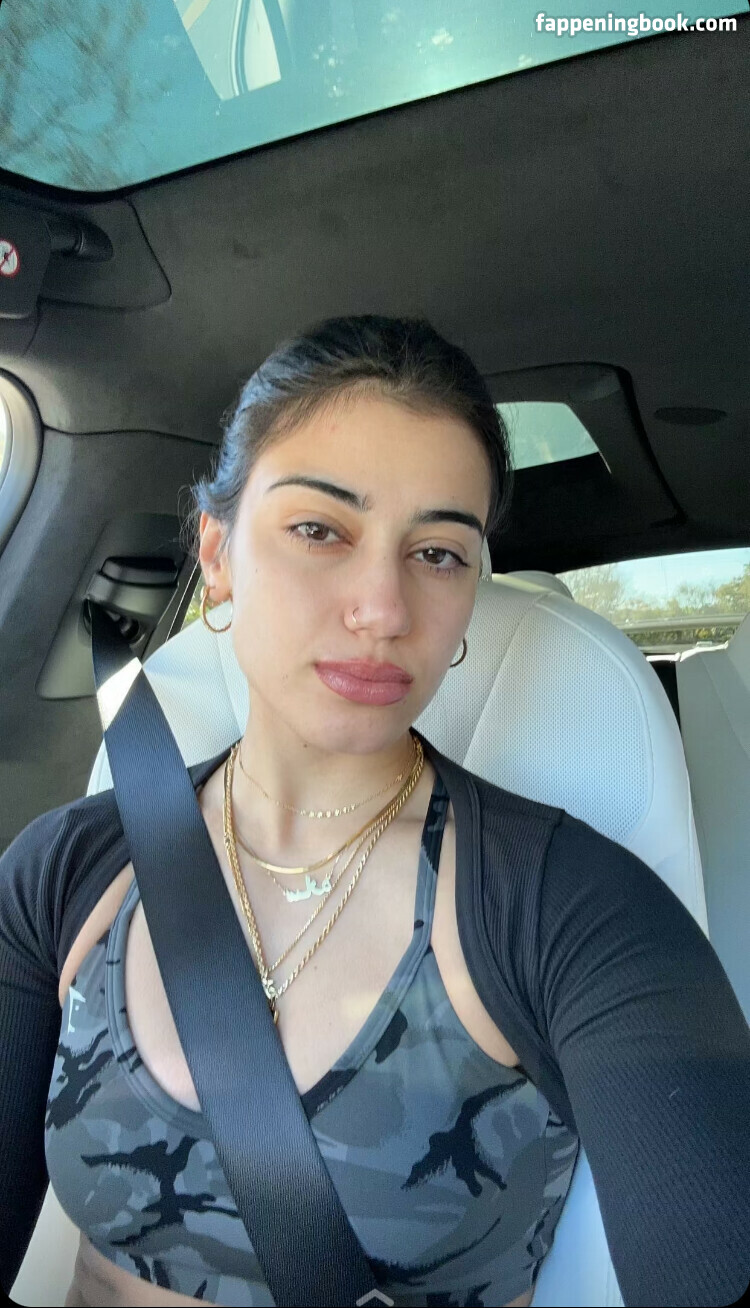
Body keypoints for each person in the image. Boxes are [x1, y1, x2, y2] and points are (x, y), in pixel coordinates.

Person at [1, 316, 749, 1308]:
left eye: (438, 553)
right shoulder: (64, 873)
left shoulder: (572, 912)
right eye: (319, 530)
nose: (384, 609)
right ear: (216, 554)